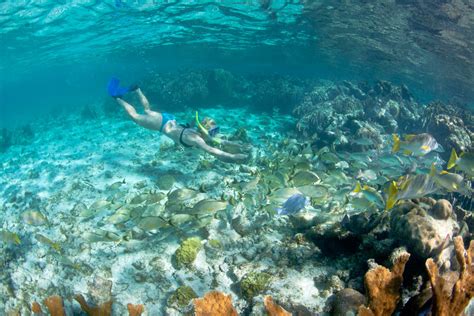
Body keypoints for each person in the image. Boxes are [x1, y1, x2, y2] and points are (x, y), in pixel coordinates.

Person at [107, 78, 249, 163]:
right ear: (204, 130)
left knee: (148, 110)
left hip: (170, 119)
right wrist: (234, 156)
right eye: (212, 131)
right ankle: (117, 98)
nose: (213, 134)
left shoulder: (200, 133)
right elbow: (213, 150)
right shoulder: (197, 139)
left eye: (214, 131)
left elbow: (217, 140)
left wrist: (236, 144)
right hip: (161, 124)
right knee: (135, 117)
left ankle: (137, 90)